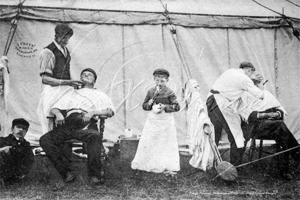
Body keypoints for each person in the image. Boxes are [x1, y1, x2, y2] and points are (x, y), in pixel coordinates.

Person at [39, 68, 115, 187]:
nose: (85, 75)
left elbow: (109, 111)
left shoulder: (99, 94)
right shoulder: (71, 93)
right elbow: (54, 108)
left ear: (94, 81)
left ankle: (94, 175)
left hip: (87, 124)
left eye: (89, 75)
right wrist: (58, 113)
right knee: (45, 140)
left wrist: (92, 112)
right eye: (83, 74)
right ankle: (66, 172)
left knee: (95, 137)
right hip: (67, 125)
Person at [239, 74, 300, 180]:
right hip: (255, 129)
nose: (262, 85)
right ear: (254, 84)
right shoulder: (246, 95)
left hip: (271, 128)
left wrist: (273, 114)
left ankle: (284, 171)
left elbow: (280, 112)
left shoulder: (266, 94)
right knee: (280, 127)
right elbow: (249, 116)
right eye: (261, 83)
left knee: (281, 133)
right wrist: (268, 115)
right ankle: (296, 155)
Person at [206, 62, 264, 166]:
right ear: (249, 70)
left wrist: (251, 80)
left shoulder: (230, 71)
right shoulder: (245, 78)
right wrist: (259, 83)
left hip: (210, 100)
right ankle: (235, 166)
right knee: (237, 136)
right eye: (251, 72)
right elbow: (260, 95)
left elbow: (234, 87)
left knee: (215, 134)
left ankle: (209, 163)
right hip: (220, 103)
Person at [131, 69, 180, 175]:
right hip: (153, 120)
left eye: (162, 81)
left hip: (166, 120)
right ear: (154, 80)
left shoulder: (170, 92)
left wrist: (165, 107)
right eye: (157, 80)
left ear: (167, 80)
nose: (159, 83)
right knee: (150, 140)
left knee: (165, 142)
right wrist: (149, 103)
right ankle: (146, 164)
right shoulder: (150, 91)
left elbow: (177, 107)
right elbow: (145, 106)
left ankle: (166, 164)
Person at [37, 24, 82, 134]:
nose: (66, 40)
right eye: (63, 37)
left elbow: (66, 73)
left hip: (65, 92)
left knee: (65, 121)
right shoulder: (47, 52)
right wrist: (68, 82)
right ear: (56, 36)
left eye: (68, 38)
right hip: (52, 92)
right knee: (50, 123)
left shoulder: (66, 51)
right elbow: (45, 79)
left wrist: (73, 84)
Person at [183, 79, 214, 171]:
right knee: (201, 141)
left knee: (199, 141)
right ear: (190, 88)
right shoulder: (195, 96)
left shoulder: (190, 97)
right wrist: (204, 117)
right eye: (194, 86)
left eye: (198, 86)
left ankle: (199, 161)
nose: (197, 88)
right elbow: (199, 109)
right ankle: (201, 162)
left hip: (196, 120)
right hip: (198, 120)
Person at [0, 118, 34, 186]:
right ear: (12, 129)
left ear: (26, 132)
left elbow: (30, 160)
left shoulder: (26, 144)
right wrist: (2, 150)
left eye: (24, 128)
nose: (21, 130)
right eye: (18, 127)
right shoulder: (3, 140)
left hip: (17, 174)